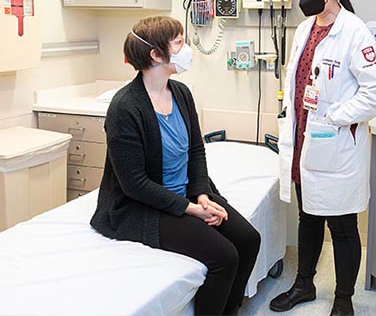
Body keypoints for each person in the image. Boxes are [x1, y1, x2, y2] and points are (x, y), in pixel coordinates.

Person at [90, 16, 260, 316]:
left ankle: (229, 309)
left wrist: (203, 194)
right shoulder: (125, 108)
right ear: (156, 55)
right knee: (224, 257)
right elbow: (134, 185)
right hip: (144, 205)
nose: (187, 48)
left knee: (248, 240)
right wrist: (190, 209)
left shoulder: (181, 93)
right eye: (179, 42)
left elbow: (196, 150)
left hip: (189, 192)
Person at [270, 0, 376, 316]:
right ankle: (304, 285)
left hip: (335, 144)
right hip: (303, 142)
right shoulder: (304, 29)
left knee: (341, 225)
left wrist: (336, 117)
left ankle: (343, 300)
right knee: (308, 217)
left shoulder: (354, 32)